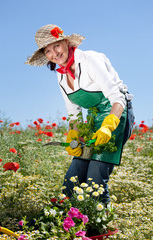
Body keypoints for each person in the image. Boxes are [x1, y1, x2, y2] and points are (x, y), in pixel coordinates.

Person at [25, 24, 135, 204]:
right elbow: (74, 112)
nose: (55, 53)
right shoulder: (60, 75)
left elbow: (118, 98)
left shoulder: (91, 60)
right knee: (74, 175)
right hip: (93, 118)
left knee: (95, 177)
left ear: (66, 42)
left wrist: (108, 126)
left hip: (116, 115)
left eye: (57, 46)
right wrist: (74, 133)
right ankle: (68, 221)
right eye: (48, 51)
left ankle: (100, 226)